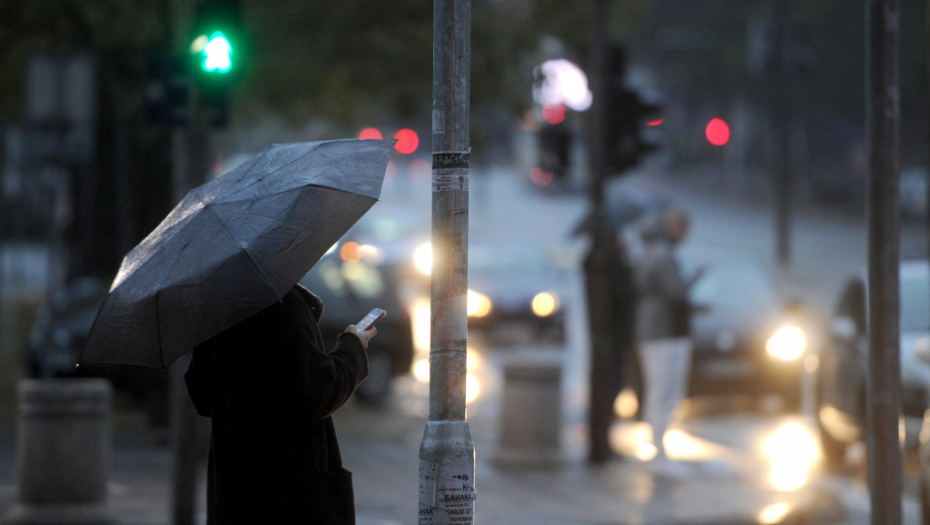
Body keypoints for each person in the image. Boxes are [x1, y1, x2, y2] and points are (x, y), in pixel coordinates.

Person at [184, 283, 375, 524]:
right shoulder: (280, 303)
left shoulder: (221, 303)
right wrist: (353, 345)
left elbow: (202, 394)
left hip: (236, 494)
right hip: (289, 495)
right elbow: (319, 391)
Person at [634, 207, 701, 462]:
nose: (685, 235)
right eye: (682, 228)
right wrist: (690, 284)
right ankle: (658, 446)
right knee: (663, 390)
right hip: (663, 332)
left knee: (659, 390)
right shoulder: (662, 256)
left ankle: (657, 443)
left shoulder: (654, 253)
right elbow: (676, 294)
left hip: (656, 331)